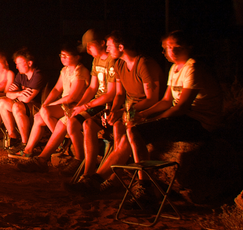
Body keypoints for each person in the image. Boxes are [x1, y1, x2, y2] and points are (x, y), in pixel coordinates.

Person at [120, 30, 223, 202]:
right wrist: (142, 114)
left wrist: (153, 120)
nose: (168, 51)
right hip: (185, 118)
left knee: (137, 132)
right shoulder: (175, 68)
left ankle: (145, 188)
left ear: (187, 47)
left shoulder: (193, 68)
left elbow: (181, 107)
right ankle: (141, 179)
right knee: (134, 128)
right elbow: (167, 101)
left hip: (200, 122)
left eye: (174, 47)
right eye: (166, 47)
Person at [68, 30, 163, 193]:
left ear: (121, 46)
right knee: (107, 125)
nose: (108, 49)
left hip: (144, 111)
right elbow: (119, 94)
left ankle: (106, 180)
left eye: (110, 46)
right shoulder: (119, 64)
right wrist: (111, 112)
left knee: (124, 130)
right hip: (128, 110)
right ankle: (93, 177)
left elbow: (152, 99)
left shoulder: (144, 64)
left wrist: (126, 112)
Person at [15, 43, 89, 171]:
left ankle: (61, 143)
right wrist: (46, 103)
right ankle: (28, 149)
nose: (63, 58)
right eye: (61, 55)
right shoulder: (64, 70)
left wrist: (51, 105)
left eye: (66, 55)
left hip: (74, 105)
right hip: (64, 104)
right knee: (39, 117)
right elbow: (56, 89)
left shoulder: (80, 71)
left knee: (45, 111)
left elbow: (72, 97)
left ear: (77, 57)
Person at [62, 29, 118, 183]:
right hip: (97, 101)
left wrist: (85, 106)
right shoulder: (96, 60)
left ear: (102, 43)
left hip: (108, 104)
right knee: (73, 121)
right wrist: (78, 106)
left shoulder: (113, 60)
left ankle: (89, 170)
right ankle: (79, 158)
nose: (87, 49)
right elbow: (93, 88)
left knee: (87, 124)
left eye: (90, 45)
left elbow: (111, 94)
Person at [0, 48, 43, 147]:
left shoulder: (38, 75)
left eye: (19, 64)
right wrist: (19, 93)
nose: (16, 67)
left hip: (38, 108)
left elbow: (27, 99)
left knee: (17, 106)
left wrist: (16, 94)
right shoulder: (21, 75)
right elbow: (8, 93)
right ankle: (12, 136)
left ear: (29, 63)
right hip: (24, 104)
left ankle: (25, 142)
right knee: (2, 102)